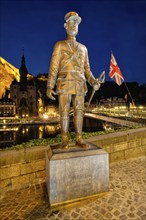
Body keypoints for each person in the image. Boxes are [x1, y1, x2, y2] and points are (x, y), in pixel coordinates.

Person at [47, 11, 101, 149]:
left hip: (80, 83)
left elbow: (87, 69)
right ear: (66, 25)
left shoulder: (84, 48)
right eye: (71, 23)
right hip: (65, 81)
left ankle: (79, 138)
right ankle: (64, 139)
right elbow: (54, 67)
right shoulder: (59, 45)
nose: (74, 26)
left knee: (79, 112)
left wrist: (93, 81)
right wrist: (49, 86)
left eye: (76, 23)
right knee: (64, 111)